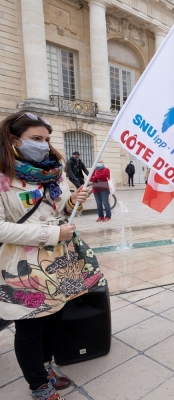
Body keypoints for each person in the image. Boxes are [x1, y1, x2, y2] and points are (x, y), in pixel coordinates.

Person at [0, 112, 95, 399]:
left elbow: (58, 211)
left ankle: (45, 367)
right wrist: (52, 235)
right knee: (30, 327)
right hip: (23, 268)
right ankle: (38, 386)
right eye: (35, 139)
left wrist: (71, 201)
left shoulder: (54, 171)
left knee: (54, 318)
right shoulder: (4, 176)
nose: (43, 145)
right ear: (15, 139)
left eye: (46, 139)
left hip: (58, 263)